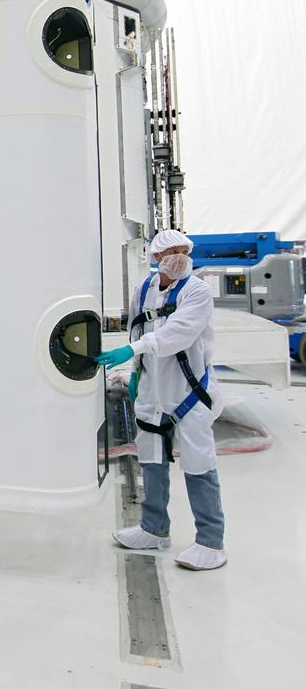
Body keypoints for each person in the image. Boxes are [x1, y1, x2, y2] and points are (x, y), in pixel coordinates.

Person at [96, 229, 227, 571]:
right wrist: (137, 372)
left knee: (199, 462)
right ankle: (153, 528)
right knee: (150, 455)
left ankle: (210, 541)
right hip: (153, 388)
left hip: (188, 390)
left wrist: (133, 350)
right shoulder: (144, 290)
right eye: (171, 251)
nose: (179, 256)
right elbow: (137, 331)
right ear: (155, 258)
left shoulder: (196, 291)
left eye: (184, 250)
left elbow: (177, 333)